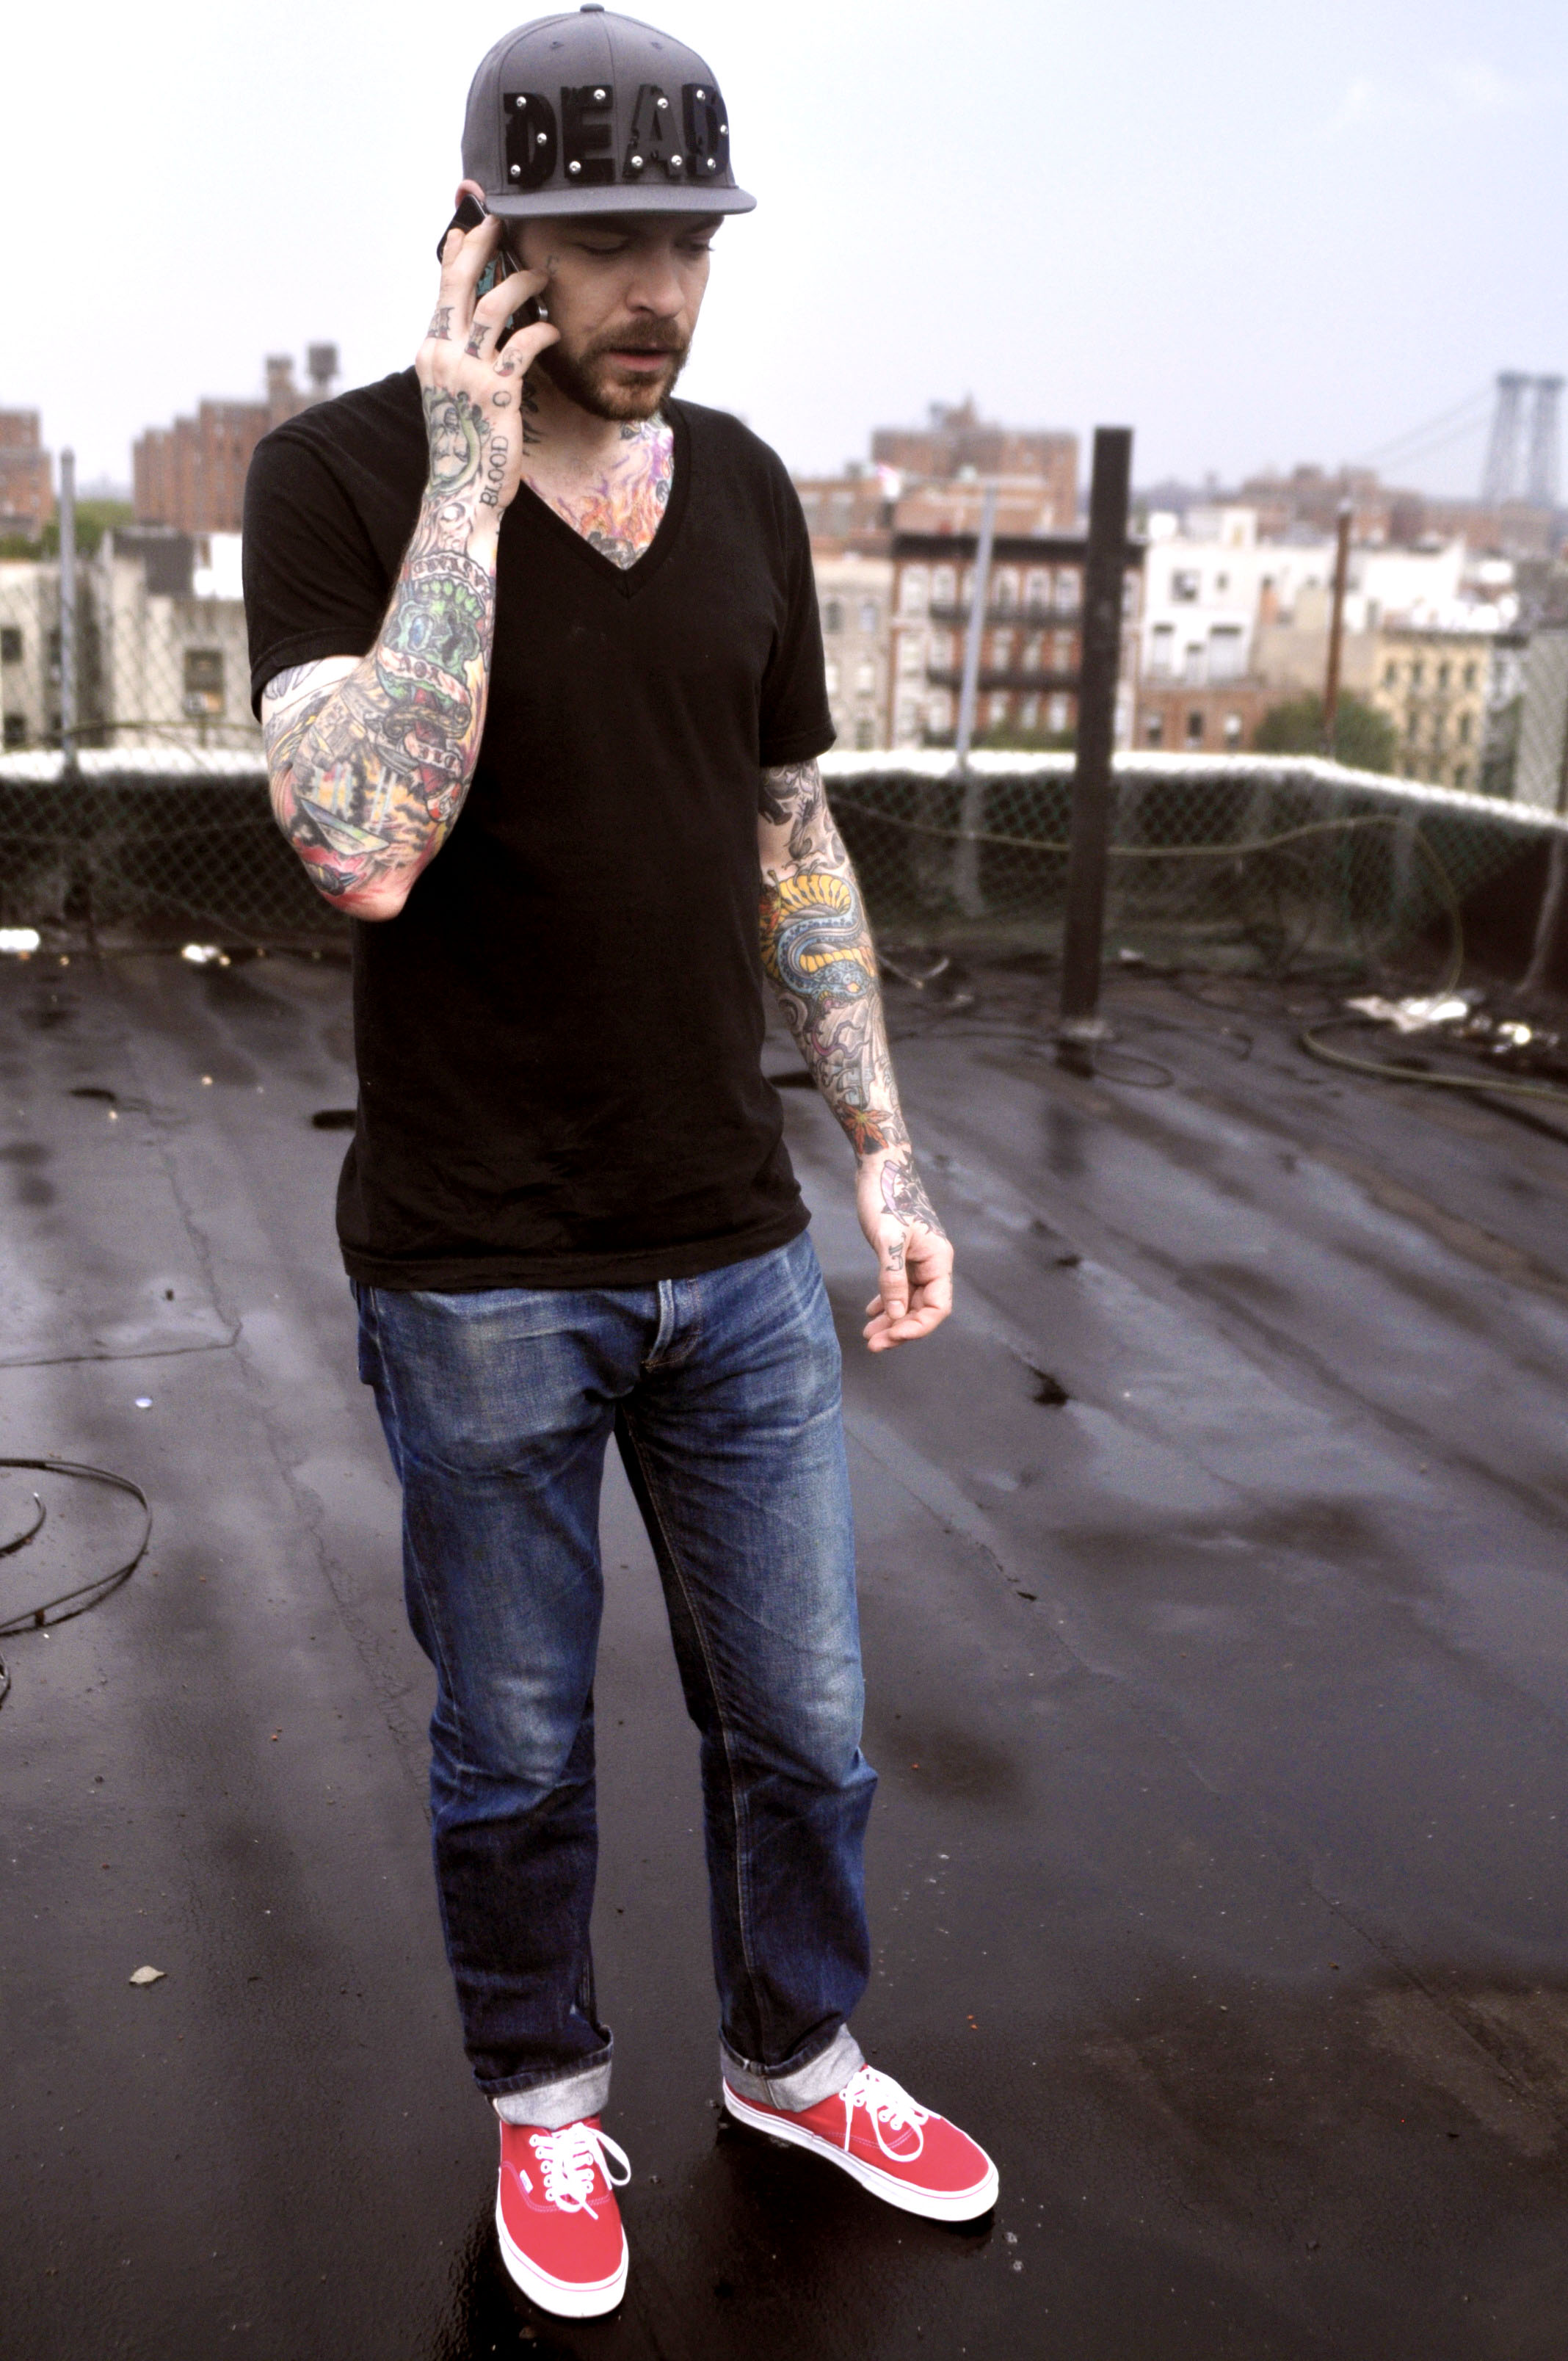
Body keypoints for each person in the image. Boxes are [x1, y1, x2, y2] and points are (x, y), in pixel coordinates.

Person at [244, 7, 996, 2320]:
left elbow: (789, 833)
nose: (658, 290)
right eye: (603, 244)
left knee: (807, 1725)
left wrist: (885, 1152)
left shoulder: (745, 488)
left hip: (733, 1247)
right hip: (477, 1265)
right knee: (516, 1746)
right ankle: (547, 2102)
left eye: (690, 241)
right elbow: (362, 847)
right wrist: (469, 481)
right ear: (486, 248)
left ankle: (797, 2055)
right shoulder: (338, 481)